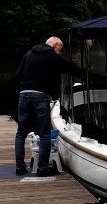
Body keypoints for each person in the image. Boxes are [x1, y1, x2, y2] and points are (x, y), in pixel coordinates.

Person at [13, 36, 76, 177]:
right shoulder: (51, 56)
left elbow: (17, 75)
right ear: (54, 45)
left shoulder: (29, 54)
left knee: (21, 133)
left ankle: (20, 168)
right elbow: (71, 68)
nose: (59, 53)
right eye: (59, 50)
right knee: (44, 133)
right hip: (40, 95)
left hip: (24, 94)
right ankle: (42, 168)